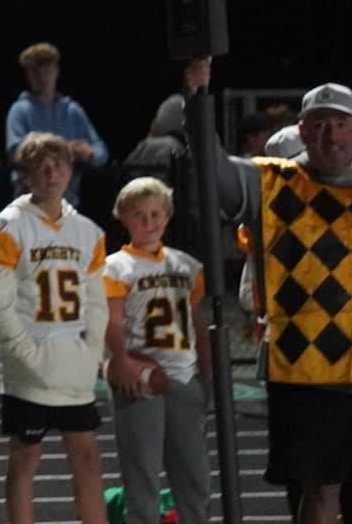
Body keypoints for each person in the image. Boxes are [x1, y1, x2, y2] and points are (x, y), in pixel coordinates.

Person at [216, 78, 352, 524]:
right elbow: (212, 172)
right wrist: (196, 94)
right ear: (303, 130)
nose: (330, 134)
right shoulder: (272, 182)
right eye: (319, 124)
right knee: (319, 494)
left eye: (339, 123)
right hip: (307, 375)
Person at [0, 132, 109, 524]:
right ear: (26, 174)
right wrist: (30, 354)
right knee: (26, 454)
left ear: (70, 171)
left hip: (73, 358)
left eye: (59, 165)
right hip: (30, 361)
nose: (51, 173)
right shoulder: (6, 227)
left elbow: (97, 303)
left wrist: (92, 352)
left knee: (86, 454)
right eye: (41, 166)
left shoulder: (87, 230)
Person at [102, 177, 211, 524]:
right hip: (142, 378)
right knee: (142, 475)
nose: (149, 222)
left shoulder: (187, 265)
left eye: (155, 214)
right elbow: (113, 322)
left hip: (183, 374)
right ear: (124, 218)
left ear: (167, 216)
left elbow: (198, 322)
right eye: (139, 215)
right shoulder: (116, 266)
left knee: (194, 476)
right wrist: (122, 362)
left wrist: (206, 374)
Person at [5, 42, 108, 207]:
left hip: (68, 200)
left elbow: (101, 151)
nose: (42, 78)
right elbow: (15, 151)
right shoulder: (20, 110)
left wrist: (89, 154)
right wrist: (65, 150)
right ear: (28, 76)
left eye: (47, 71)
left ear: (56, 72)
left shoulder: (72, 110)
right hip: (30, 200)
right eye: (36, 73)